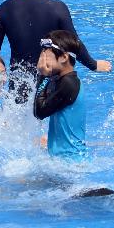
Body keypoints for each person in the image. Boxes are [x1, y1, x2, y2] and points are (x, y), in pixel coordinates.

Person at [34, 30, 89, 160]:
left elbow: (39, 112)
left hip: (70, 163)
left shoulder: (69, 84)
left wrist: (43, 75)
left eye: (46, 55)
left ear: (64, 57)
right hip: (64, 160)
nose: (42, 59)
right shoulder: (62, 80)